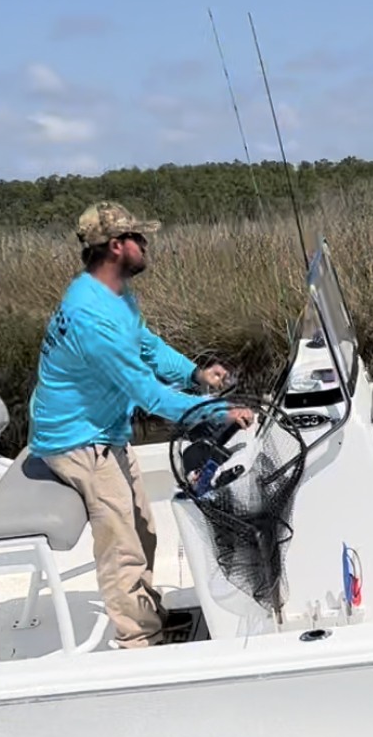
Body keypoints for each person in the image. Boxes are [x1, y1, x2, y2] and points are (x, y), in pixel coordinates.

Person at [28, 200, 255, 648]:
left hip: (106, 429)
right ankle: (138, 642)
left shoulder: (112, 295)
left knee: (145, 530)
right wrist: (216, 412)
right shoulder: (92, 318)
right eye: (139, 238)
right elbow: (147, 394)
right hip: (77, 440)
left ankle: (149, 615)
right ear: (117, 247)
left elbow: (147, 346)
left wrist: (195, 373)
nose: (146, 244)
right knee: (122, 546)